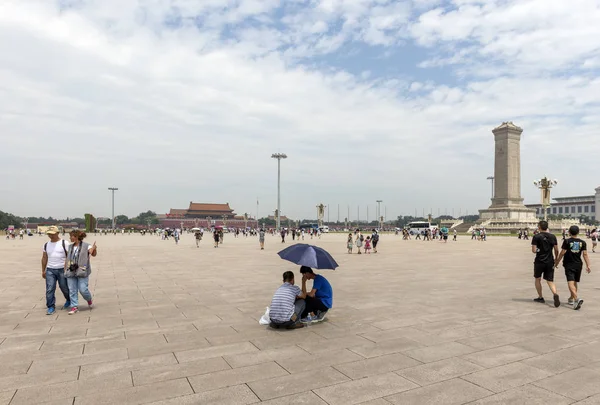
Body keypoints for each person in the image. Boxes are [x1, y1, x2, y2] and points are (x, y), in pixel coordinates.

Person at [555, 225, 591, 310]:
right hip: (578, 264)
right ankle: (571, 298)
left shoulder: (567, 241)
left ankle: (576, 299)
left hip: (569, 264)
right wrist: (588, 265)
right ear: (578, 232)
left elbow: (562, 253)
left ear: (569, 232)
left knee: (570, 282)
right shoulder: (583, 242)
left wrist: (557, 262)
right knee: (575, 282)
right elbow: (585, 254)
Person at [64, 230, 97, 315]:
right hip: (71, 271)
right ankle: (74, 306)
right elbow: (67, 258)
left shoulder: (86, 245)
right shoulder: (70, 247)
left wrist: (94, 249)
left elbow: (92, 253)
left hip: (82, 270)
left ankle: (89, 299)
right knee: (72, 290)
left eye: (71, 236)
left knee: (83, 289)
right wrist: (65, 269)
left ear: (76, 237)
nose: (70, 238)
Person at [41, 226, 71, 315]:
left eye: (52, 234)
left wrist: (67, 268)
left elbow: (69, 256)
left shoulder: (64, 243)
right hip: (50, 269)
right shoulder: (46, 245)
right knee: (50, 288)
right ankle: (50, 306)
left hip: (62, 269)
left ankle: (69, 299)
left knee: (64, 287)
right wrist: (43, 270)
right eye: (49, 234)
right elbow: (44, 257)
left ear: (58, 233)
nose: (51, 236)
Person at [531, 220, 560, 307]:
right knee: (550, 280)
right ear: (547, 227)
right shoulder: (553, 236)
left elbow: (533, 250)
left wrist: (539, 250)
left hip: (539, 261)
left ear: (539, 227)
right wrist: (556, 259)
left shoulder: (536, 236)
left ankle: (540, 297)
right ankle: (555, 294)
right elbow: (556, 249)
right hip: (550, 261)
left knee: (537, 279)